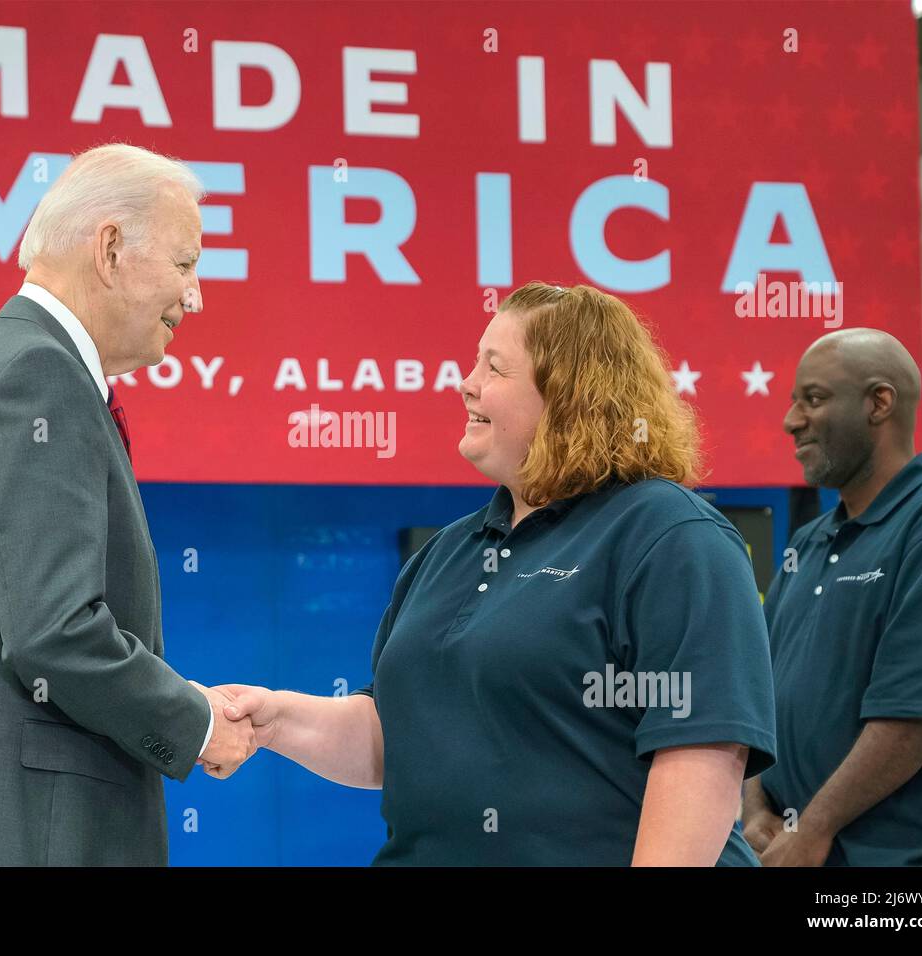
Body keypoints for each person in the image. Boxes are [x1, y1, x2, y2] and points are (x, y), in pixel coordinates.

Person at [216, 282, 778, 865]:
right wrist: (275, 719)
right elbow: (394, 738)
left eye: (495, 366)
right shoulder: (448, 551)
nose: (467, 382)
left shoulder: (670, 536)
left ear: (570, 395)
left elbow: (704, 754)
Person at [0, 144, 254, 867]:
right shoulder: (36, 376)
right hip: (12, 834)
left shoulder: (2, 362)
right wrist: (192, 720)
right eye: (186, 265)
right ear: (111, 249)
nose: (196, 296)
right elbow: (54, 634)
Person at [742, 328, 922, 866]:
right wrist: (755, 804)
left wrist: (814, 826)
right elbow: (760, 694)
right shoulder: (809, 542)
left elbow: (918, 712)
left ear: (880, 403)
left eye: (814, 399)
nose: (790, 420)